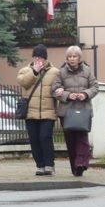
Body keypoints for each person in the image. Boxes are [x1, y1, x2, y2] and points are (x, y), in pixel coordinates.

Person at [52, 45, 97, 177]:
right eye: (70, 56)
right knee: (71, 141)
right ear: (67, 58)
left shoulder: (87, 71)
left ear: (79, 58)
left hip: (83, 111)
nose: (72, 59)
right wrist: (67, 95)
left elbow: (95, 87)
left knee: (82, 139)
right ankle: (75, 167)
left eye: (74, 56)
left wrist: (85, 94)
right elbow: (54, 90)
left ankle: (81, 163)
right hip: (67, 112)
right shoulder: (60, 73)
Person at [18, 45, 59, 175]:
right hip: (31, 112)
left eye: (40, 57)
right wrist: (34, 72)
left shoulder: (55, 72)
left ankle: (49, 165)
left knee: (45, 137)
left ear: (45, 58)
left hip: (48, 112)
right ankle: (40, 165)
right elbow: (23, 83)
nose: (37, 60)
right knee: (34, 139)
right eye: (35, 57)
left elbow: (59, 85)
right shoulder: (25, 70)